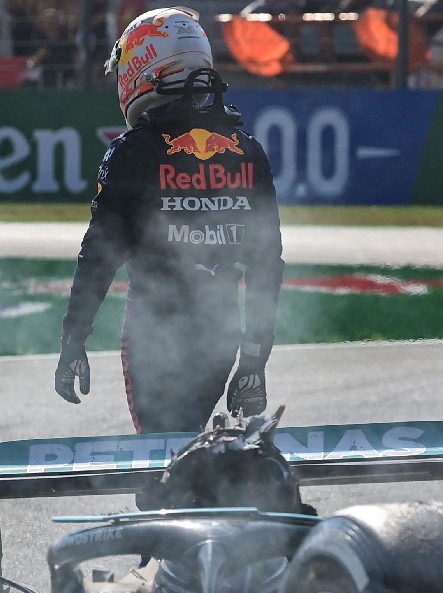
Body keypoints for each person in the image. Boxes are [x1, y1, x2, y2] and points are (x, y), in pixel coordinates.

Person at [54, 7, 284, 435]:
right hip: (221, 336)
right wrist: (254, 360)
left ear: (142, 66)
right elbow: (267, 265)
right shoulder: (248, 151)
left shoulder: (131, 153)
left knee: (162, 466)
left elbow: (98, 257)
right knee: (193, 451)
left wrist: (74, 338)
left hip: (152, 337)